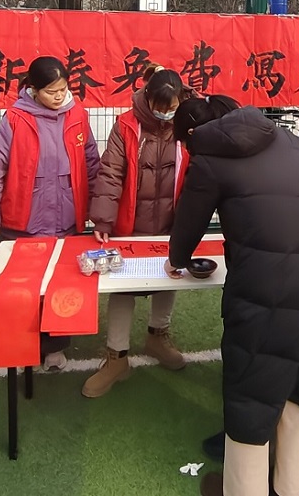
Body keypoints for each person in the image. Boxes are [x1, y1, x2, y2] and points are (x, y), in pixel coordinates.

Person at [166, 95, 299, 496]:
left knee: (250, 397)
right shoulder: (291, 141)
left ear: (193, 134)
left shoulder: (208, 160)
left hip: (261, 294)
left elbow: (188, 223)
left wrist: (177, 259)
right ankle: (290, 489)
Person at [0, 55, 101, 370]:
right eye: (51, 92)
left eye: (63, 90)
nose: (58, 97)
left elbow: (92, 162)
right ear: (33, 89)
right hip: (25, 216)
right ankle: (23, 346)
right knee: (25, 286)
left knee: (62, 282)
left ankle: (55, 347)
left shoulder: (77, 115)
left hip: (66, 216)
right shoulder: (16, 119)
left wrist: (97, 208)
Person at [82, 65, 194, 397]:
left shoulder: (189, 122)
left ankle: (158, 336)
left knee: (170, 274)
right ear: (148, 98)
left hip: (171, 221)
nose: (166, 114)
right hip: (130, 225)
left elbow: (196, 173)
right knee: (122, 288)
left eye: (172, 107)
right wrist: (104, 220)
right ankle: (116, 357)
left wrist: (190, 220)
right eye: (161, 108)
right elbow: (110, 172)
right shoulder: (127, 125)